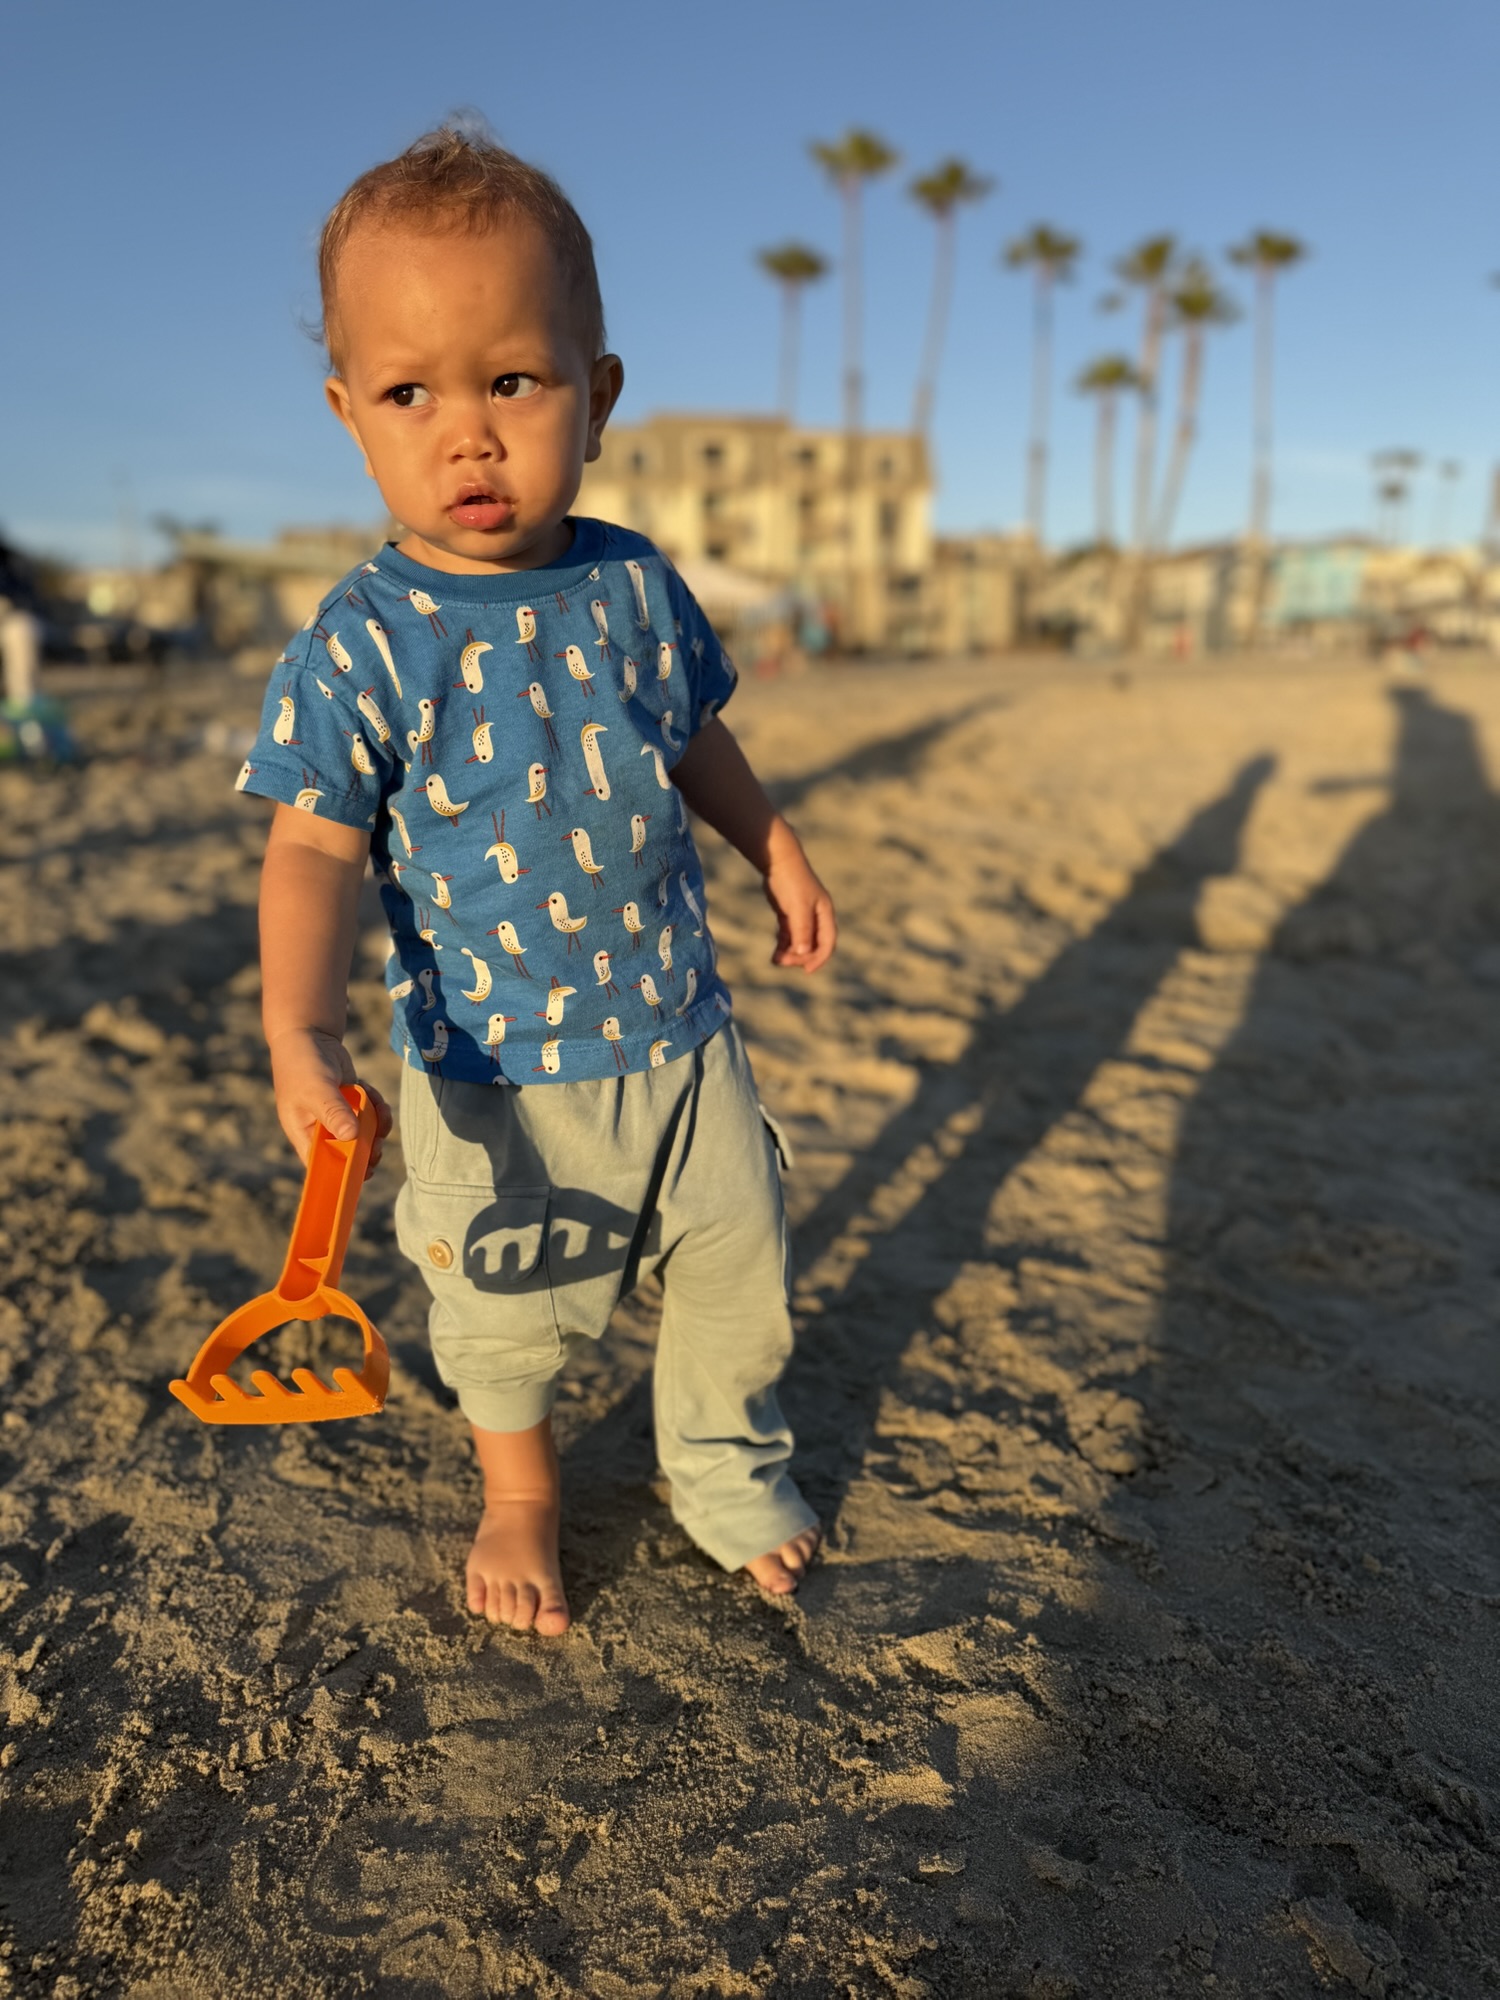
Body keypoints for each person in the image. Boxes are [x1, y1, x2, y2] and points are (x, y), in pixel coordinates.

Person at [236, 126, 837, 1637]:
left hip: (682, 1037)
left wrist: (769, 841)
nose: (470, 433)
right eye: (410, 393)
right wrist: (295, 1030)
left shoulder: (635, 584)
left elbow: (694, 734)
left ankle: (719, 1462)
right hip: (494, 1072)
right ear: (349, 416)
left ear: (597, 391)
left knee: (739, 1276)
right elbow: (309, 845)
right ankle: (522, 1492)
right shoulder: (365, 642)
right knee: (504, 1324)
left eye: (513, 379)